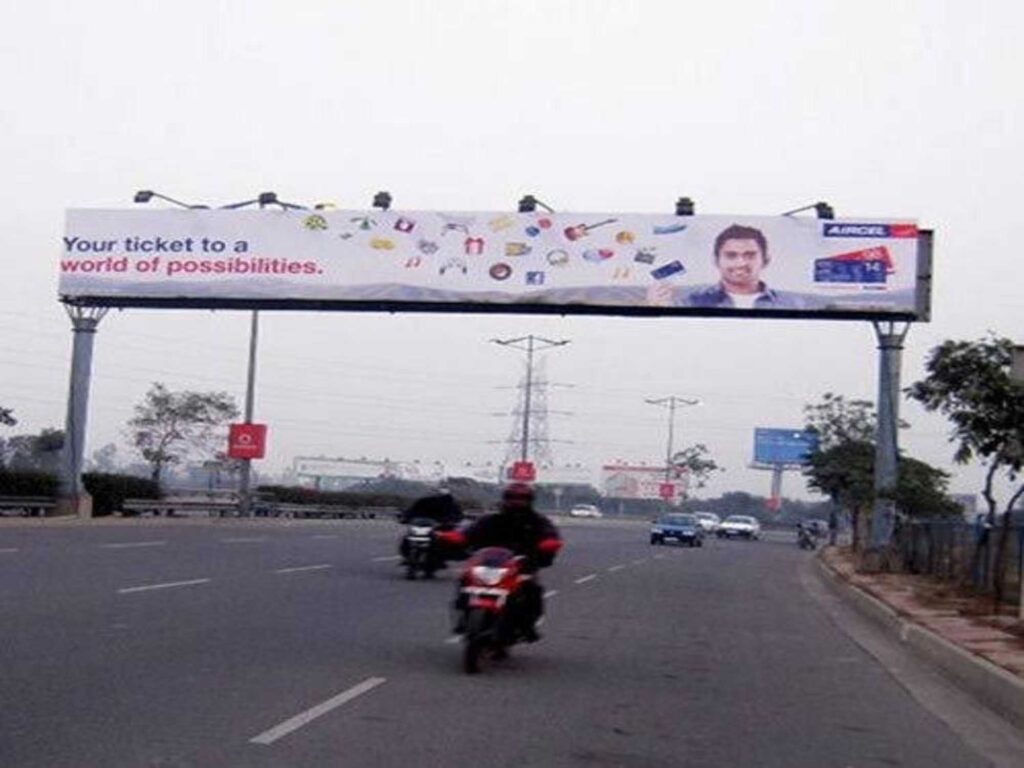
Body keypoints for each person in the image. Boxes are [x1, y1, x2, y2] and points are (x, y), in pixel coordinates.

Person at [442, 483, 562, 641]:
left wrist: (547, 544)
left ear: (530, 501)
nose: (516, 502)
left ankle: (527, 626)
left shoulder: (539, 522)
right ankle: (464, 618)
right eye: (512, 498)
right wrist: (457, 537)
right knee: (465, 580)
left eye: (522, 498)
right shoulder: (491, 519)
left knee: (532, 589)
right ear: (505, 499)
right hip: (490, 563)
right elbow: (469, 532)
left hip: (522, 566)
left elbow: (550, 536)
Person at [680, 224, 821, 310]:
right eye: (731, 255)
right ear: (716, 260)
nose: (741, 263)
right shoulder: (687, 298)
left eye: (749, 255)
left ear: (766, 260)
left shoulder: (795, 303)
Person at [398, 483, 464, 564]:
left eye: (441, 492)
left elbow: (457, 514)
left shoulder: (450, 504)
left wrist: (451, 521)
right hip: (423, 524)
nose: (438, 495)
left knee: (443, 541)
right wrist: (405, 517)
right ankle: (407, 555)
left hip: (440, 526)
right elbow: (412, 510)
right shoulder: (423, 501)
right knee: (407, 537)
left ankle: (440, 559)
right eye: (437, 492)